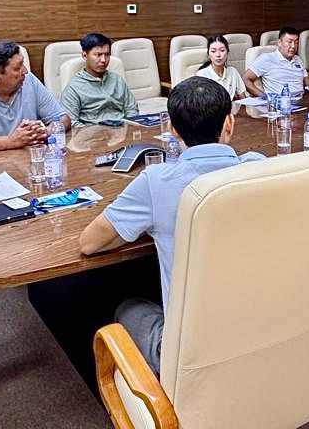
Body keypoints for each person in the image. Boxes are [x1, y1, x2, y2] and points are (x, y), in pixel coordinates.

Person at [78, 76, 266, 374]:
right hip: (263, 328)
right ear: (229, 124)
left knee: (128, 308)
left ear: (172, 130)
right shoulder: (261, 167)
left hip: (192, 353)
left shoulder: (156, 182)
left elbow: (89, 244)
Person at [60, 33, 139, 127]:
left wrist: (129, 128)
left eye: (107, 55)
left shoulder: (117, 79)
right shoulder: (74, 88)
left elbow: (132, 109)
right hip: (93, 133)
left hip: (123, 130)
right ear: (85, 56)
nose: (103, 60)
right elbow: (72, 123)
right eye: (98, 55)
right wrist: (96, 133)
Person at [243, 26, 309, 96]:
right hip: (280, 100)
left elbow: (306, 79)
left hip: (301, 99)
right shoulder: (267, 59)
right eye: (289, 42)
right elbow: (245, 79)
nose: (293, 46)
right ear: (279, 42)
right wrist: (264, 97)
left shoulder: (298, 59)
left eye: (296, 42)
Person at [196, 34, 248, 99]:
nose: (218, 55)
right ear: (208, 54)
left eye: (222, 50)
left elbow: (243, 98)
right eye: (213, 51)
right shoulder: (202, 75)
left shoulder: (233, 72)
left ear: (227, 53)